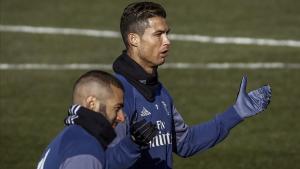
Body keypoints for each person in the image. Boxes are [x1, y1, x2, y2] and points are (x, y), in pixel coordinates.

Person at [108, 1, 272, 169]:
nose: (167, 41)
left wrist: (236, 113)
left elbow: (186, 143)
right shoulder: (115, 94)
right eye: (158, 34)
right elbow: (104, 162)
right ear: (134, 39)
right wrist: (133, 144)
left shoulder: (159, 91)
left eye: (167, 33)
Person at [36, 70, 158, 169]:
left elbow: (107, 163)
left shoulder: (73, 137)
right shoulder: (85, 150)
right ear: (92, 103)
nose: (121, 118)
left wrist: (133, 143)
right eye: (117, 108)